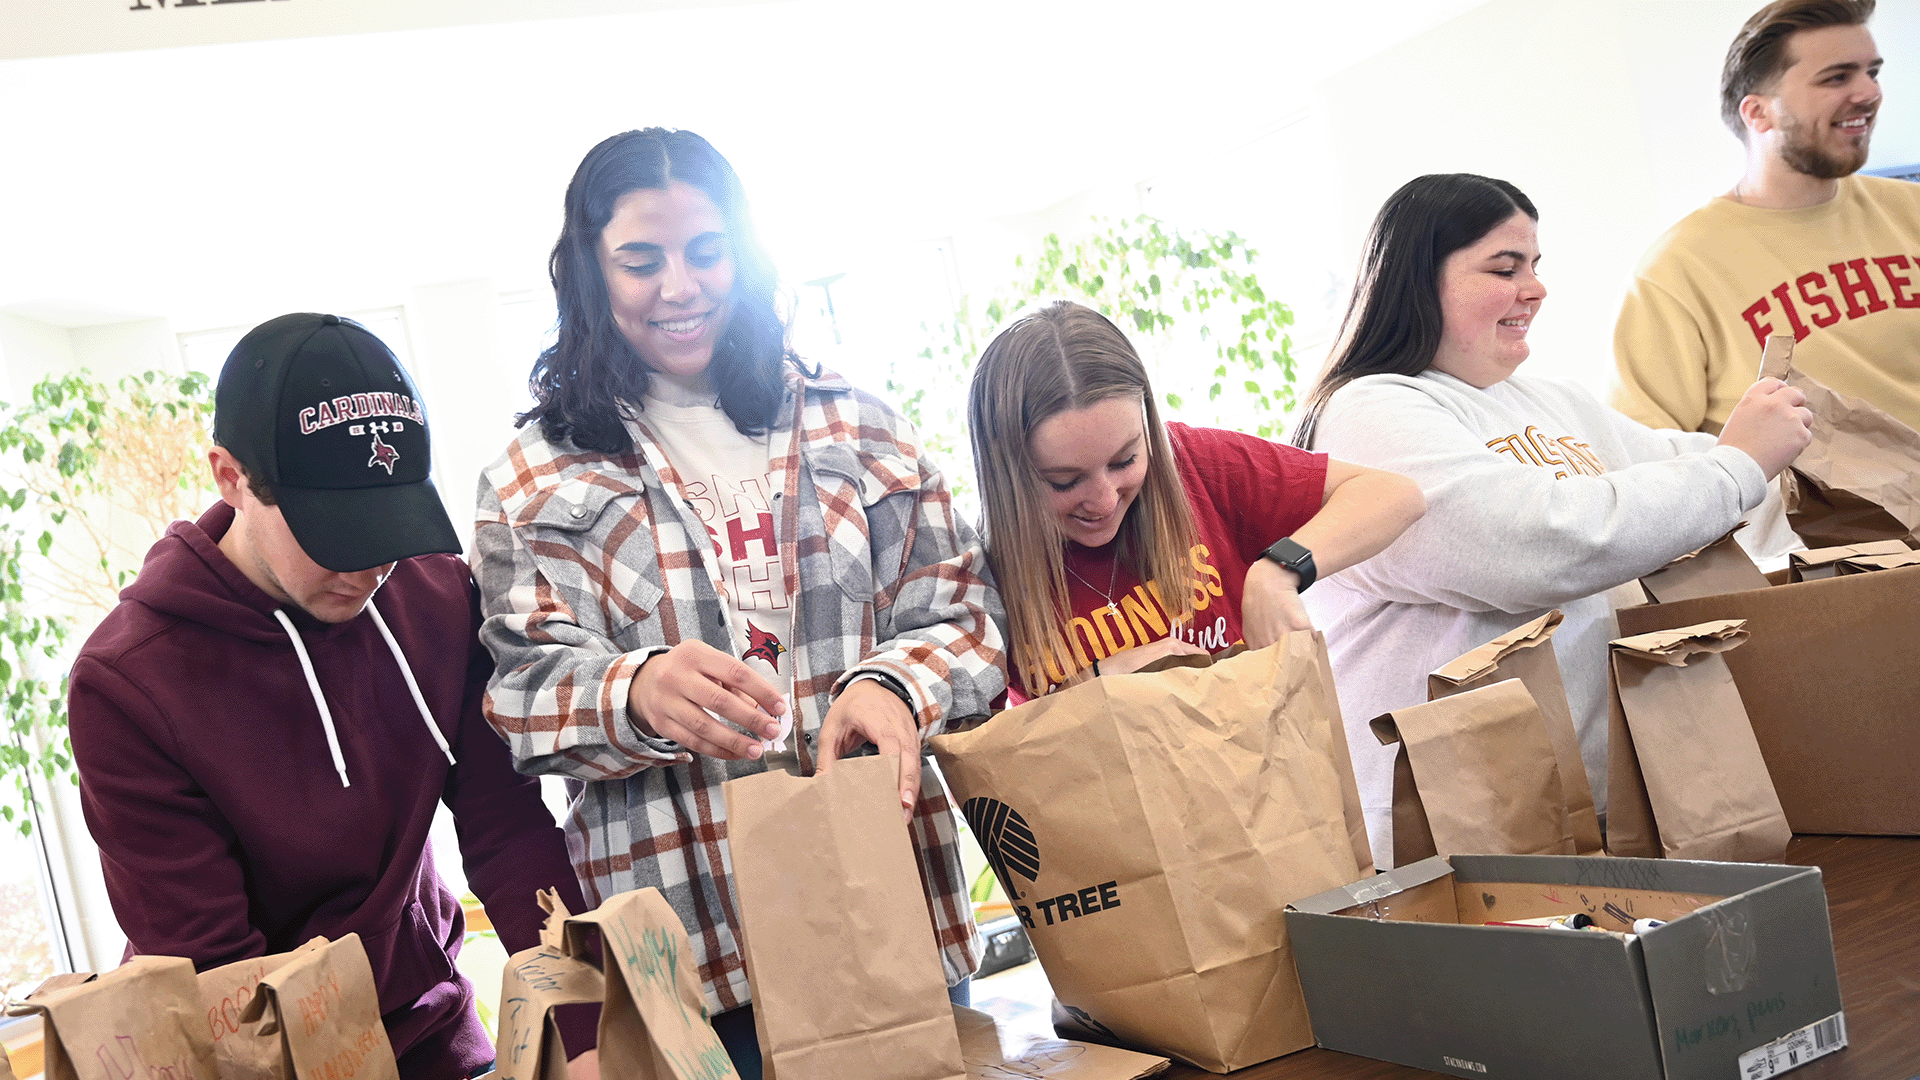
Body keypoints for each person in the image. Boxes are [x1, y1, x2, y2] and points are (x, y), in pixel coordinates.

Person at [472, 128, 1005, 1077]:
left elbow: (968, 619)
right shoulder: (532, 476)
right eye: (641, 261)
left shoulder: (861, 424)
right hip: (686, 961)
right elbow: (517, 697)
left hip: (884, 917)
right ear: (591, 275)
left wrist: (896, 685)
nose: (680, 286)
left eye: (706, 252)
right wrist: (631, 693)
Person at [68, 313, 595, 1079]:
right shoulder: (127, 685)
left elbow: (505, 831)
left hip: (434, 1037)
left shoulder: (436, 597)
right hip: (255, 1051)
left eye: (386, 527)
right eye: (332, 534)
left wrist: (583, 1033)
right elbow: (215, 970)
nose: (367, 569)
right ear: (231, 477)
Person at [1293, 174, 1814, 865]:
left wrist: (1788, 457)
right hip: (1452, 825)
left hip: (1593, 805)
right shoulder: (1368, 412)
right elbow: (1528, 548)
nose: (1534, 288)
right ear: (1418, 282)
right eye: (1504, 268)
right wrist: (1740, 467)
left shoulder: (1552, 401)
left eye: (1536, 266)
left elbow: (1685, 472)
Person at [966, 300, 1426, 701]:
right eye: (1064, 482)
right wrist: (1099, 681)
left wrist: (1279, 570)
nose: (1104, 500)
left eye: (1125, 460)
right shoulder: (977, 573)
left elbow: (1394, 495)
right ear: (1007, 478)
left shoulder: (1195, 463)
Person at [1611, 0, 1919, 437]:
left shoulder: (1911, 211)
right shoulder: (1676, 272)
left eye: (1872, 72)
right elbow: (1647, 460)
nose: (1869, 93)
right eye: (1837, 77)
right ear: (1757, 112)